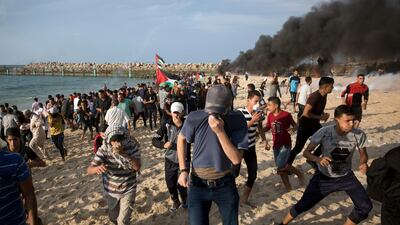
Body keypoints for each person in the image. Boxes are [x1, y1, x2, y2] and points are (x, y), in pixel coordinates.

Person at [278, 105, 373, 225]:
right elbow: (306, 153)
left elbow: (363, 154)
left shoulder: (358, 134)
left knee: (365, 206)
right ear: (336, 120)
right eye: (347, 121)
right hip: (324, 178)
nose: (351, 124)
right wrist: (318, 159)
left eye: (353, 120)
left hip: (346, 177)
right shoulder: (324, 132)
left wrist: (363, 162)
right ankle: (282, 223)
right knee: (303, 205)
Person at [177, 85, 248, 225]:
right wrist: (183, 170)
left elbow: (236, 159)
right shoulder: (194, 117)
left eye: (219, 111)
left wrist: (220, 132)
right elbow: (181, 139)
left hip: (225, 183)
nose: (214, 114)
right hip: (197, 183)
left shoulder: (238, 120)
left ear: (229, 106)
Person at [87, 125, 141, 225]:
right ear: (108, 139)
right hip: (111, 191)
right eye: (113, 140)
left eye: (119, 139)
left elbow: (137, 167)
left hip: (128, 188)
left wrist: (123, 154)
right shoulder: (104, 149)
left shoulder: (131, 146)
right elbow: (89, 170)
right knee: (113, 218)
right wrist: (97, 168)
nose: (117, 143)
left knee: (123, 222)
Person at [288, 76, 334, 166]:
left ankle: (312, 159)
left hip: (314, 125)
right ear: (325, 87)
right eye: (331, 86)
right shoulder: (314, 96)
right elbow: (305, 113)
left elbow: (317, 109)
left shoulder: (324, 95)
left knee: (327, 139)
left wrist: (323, 114)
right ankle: (287, 166)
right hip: (305, 126)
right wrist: (321, 118)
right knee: (298, 148)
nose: (332, 88)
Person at [152, 102, 189, 212]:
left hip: (185, 159)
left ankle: (185, 200)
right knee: (170, 183)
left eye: (179, 112)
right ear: (171, 113)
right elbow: (154, 140)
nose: (176, 115)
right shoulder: (166, 124)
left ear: (182, 113)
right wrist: (163, 144)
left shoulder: (188, 124)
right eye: (174, 112)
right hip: (170, 159)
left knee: (182, 183)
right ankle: (175, 201)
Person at [264, 97, 305, 192]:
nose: (267, 106)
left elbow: (296, 125)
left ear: (276, 105)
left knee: (280, 165)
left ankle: (299, 173)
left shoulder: (286, 115)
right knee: (281, 168)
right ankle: (288, 188)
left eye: (269, 105)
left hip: (285, 144)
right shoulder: (270, 115)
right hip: (276, 145)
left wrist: (293, 129)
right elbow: (267, 127)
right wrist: (259, 130)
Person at [235, 90, 267, 203]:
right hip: (239, 148)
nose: (257, 104)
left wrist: (264, 140)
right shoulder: (239, 113)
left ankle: (244, 198)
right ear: (249, 100)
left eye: (259, 101)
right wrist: (252, 120)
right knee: (234, 173)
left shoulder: (258, 112)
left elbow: (260, 128)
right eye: (255, 101)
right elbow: (238, 130)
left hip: (251, 147)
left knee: (253, 174)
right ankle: (231, 194)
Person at [0, 144, 40, 225]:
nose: (12, 143)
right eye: (10, 140)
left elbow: (29, 194)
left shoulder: (16, 159)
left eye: (15, 140)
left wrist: (29, 165)